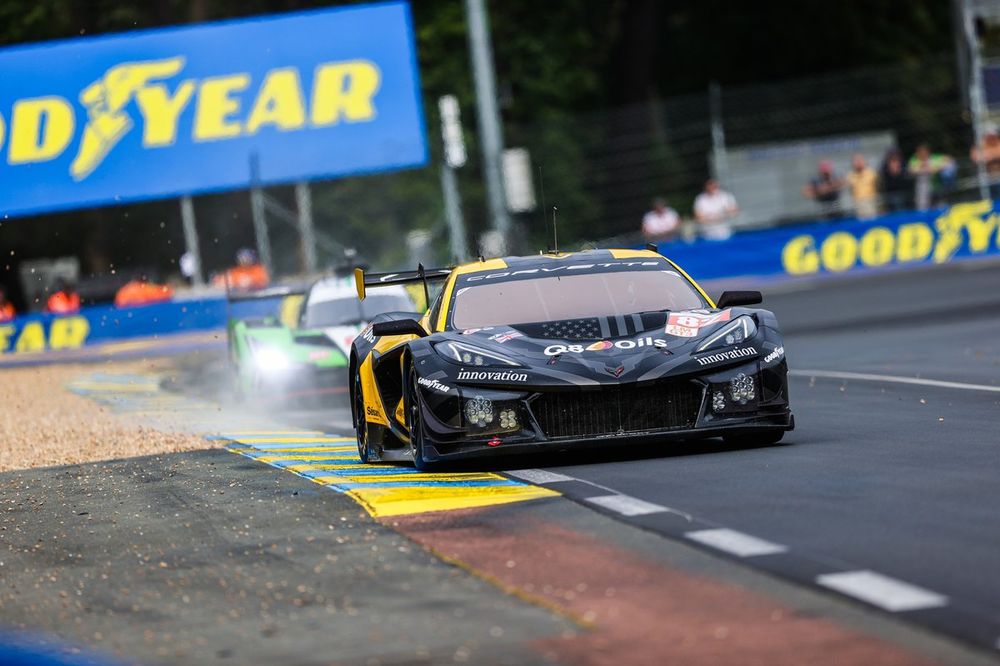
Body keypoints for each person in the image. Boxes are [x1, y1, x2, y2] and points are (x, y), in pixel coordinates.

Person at [908, 144, 955, 211]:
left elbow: (949, 159)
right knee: (922, 206)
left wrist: (938, 168)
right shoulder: (914, 159)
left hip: (937, 186)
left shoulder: (934, 158)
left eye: (924, 152)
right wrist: (926, 169)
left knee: (940, 204)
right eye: (920, 152)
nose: (923, 154)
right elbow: (911, 170)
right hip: (922, 189)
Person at [969, 126, 1000, 200]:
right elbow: (975, 157)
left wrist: (988, 156)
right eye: (989, 136)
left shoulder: (998, 143)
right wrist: (992, 156)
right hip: (987, 176)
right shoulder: (980, 145)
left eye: (993, 136)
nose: (991, 138)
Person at [845, 153, 879, 220]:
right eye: (856, 161)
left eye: (860, 160)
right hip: (858, 204)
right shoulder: (850, 175)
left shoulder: (871, 173)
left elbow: (878, 187)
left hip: (871, 202)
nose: (858, 163)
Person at [879, 148, 911, 213]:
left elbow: (907, 180)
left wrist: (899, 172)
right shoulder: (885, 168)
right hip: (890, 195)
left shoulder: (903, 165)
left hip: (904, 195)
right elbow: (884, 183)